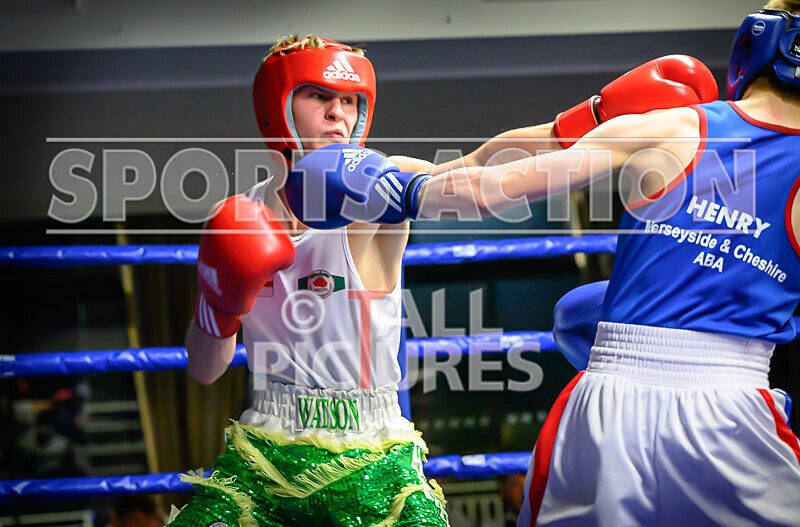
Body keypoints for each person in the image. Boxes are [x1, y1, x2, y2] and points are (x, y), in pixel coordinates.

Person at [289, 2, 800, 524]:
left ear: (757, 42)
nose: (337, 113)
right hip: (736, 411)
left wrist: (405, 191)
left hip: (611, 398)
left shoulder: (675, 127)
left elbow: (498, 182)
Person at [170, 36, 447, 527]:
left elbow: (481, 178)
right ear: (277, 107)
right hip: (268, 448)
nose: (337, 113)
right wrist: (219, 304)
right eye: (318, 96)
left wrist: (582, 127)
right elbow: (205, 370)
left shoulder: (383, 186)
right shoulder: (239, 218)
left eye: (348, 101)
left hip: (375, 452)